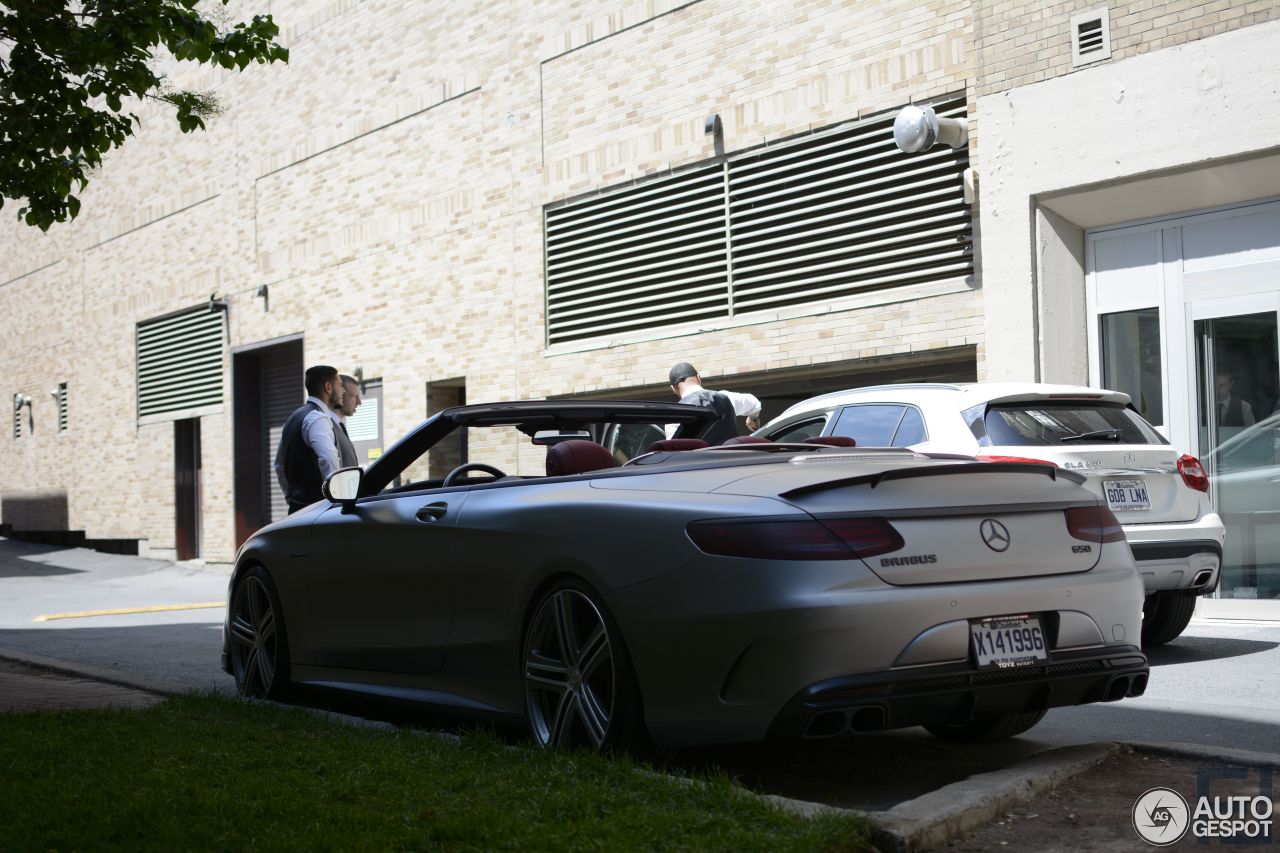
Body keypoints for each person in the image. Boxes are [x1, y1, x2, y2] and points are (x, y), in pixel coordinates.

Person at [274, 365, 346, 514]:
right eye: (339, 385)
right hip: (317, 511)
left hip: (297, 510)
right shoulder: (317, 418)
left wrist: (291, 497)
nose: (343, 390)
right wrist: (338, 500)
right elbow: (328, 458)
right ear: (328, 387)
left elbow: (279, 466)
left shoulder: (293, 418)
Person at [664, 361, 762, 445]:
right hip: (732, 463)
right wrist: (753, 418)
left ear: (673, 389)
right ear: (698, 378)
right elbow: (754, 403)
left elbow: (675, 452)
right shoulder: (725, 397)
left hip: (704, 466)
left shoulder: (674, 417)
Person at [331, 373, 363, 469]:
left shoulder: (339, 425)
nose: (359, 402)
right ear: (340, 394)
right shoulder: (326, 426)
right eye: (354, 396)